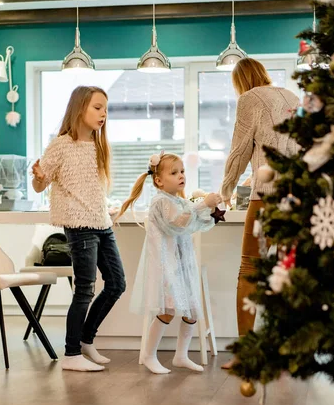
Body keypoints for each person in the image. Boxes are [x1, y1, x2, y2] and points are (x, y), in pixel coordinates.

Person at [31, 86, 126, 372]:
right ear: (79, 108)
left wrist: (106, 207)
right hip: (79, 225)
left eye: (105, 109)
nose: (103, 114)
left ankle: (85, 340)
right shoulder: (61, 144)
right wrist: (37, 177)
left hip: (101, 223)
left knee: (117, 284)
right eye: (97, 107)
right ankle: (71, 354)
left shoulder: (97, 145)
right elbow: (41, 184)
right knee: (84, 288)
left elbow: (90, 188)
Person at [220, 58, 299, 369]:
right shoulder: (291, 97)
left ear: (241, 80)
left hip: (267, 197)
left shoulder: (249, 98)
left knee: (250, 271)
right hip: (298, 197)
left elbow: (240, 150)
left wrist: (225, 190)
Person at [117, 152, 221, 374]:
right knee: (168, 310)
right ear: (159, 180)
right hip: (167, 265)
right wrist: (202, 204)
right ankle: (148, 355)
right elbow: (178, 222)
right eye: (174, 172)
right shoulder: (161, 201)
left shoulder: (180, 200)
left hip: (183, 266)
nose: (181, 175)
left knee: (192, 311)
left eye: (182, 171)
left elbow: (195, 222)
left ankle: (181, 356)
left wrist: (210, 210)